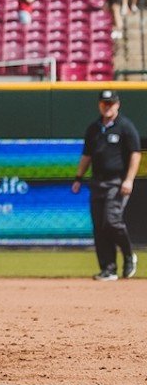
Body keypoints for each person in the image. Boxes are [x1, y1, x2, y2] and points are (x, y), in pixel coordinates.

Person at [72, 89, 140, 281]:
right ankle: (108, 269)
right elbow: (87, 156)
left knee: (112, 221)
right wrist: (78, 177)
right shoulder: (93, 128)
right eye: (104, 103)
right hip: (97, 182)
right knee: (99, 227)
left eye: (110, 103)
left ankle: (128, 255)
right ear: (99, 105)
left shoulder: (125, 127)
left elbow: (136, 153)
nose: (107, 106)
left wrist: (129, 179)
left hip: (117, 182)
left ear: (117, 104)